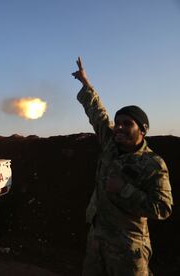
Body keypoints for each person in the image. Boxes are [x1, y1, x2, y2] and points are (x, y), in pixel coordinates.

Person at [72, 57, 173, 276]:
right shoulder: (110, 144)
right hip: (97, 240)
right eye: (118, 123)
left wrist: (125, 189)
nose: (119, 127)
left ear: (142, 130)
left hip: (128, 247)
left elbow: (163, 209)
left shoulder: (153, 163)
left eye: (127, 123)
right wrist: (86, 84)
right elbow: (98, 114)